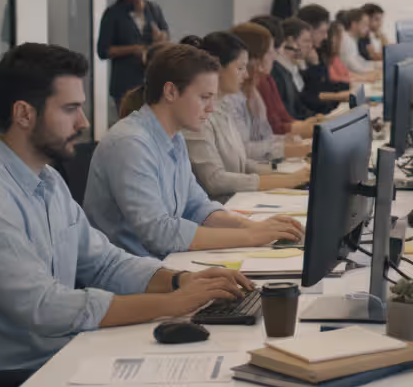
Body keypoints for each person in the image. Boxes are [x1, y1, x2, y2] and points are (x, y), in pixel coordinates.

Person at [0, 44, 252, 387]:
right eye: (70, 109)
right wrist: (174, 304)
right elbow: (45, 307)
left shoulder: (48, 182)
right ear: (24, 114)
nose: (83, 121)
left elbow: (102, 262)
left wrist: (180, 281)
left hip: (63, 361)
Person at [85, 44, 305, 259]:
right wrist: (250, 236)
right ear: (171, 92)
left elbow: (197, 206)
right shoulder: (130, 143)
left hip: (163, 264)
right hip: (135, 278)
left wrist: (254, 226)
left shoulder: (175, 137)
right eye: (204, 97)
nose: (211, 108)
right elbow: (159, 233)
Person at [184, 32, 311, 200]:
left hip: (239, 200)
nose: (246, 74)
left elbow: (242, 163)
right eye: (240, 68)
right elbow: (215, 181)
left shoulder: (225, 105)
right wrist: (287, 179)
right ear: (216, 68)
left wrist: (284, 175)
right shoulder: (198, 115)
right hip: (222, 206)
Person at [97, 0, 170, 112]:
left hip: (152, 82)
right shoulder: (113, 13)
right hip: (125, 85)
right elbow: (103, 51)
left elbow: (165, 35)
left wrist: (161, 38)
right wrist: (135, 49)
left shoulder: (153, 9)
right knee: (130, 128)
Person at [231, 22, 317, 141]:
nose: (274, 57)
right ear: (255, 58)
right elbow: (272, 130)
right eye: (270, 52)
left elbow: (267, 134)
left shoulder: (256, 89)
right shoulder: (241, 93)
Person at [275, 17, 344, 119]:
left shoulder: (294, 67)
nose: (310, 46)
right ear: (289, 41)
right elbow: (307, 99)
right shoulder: (280, 72)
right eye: (306, 41)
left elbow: (304, 101)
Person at [297, 4, 351, 113]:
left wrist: (347, 87)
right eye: (322, 32)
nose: (326, 37)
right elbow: (310, 96)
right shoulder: (297, 59)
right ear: (308, 30)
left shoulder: (317, 53)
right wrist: (339, 96)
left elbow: (325, 84)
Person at [338, 9, 379, 79]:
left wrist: (379, 65)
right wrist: (377, 70)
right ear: (354, 25)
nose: (367, 28)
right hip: (350, 80)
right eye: (365, 24)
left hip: (354, 77)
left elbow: (361, 62)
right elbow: (356, 68)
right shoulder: (346, 41)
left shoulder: (352, 39)